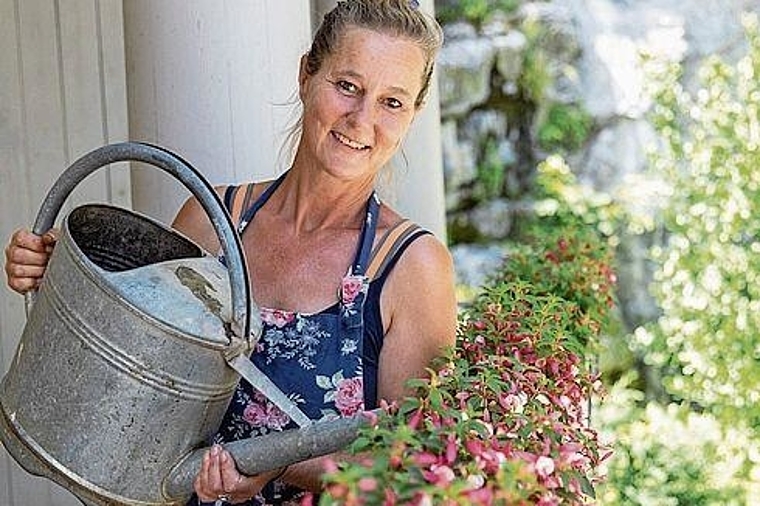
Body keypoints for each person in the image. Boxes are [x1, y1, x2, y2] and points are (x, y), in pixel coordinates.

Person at [4, 0, 456, 504]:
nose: (362, 117)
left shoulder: (411, 268)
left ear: (414, 114)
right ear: (307, 75)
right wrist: (64, 279)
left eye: (392, 102)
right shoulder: (211, 221)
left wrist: (277, 463)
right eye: (347, 86)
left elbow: (411, 462)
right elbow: (137, 371)